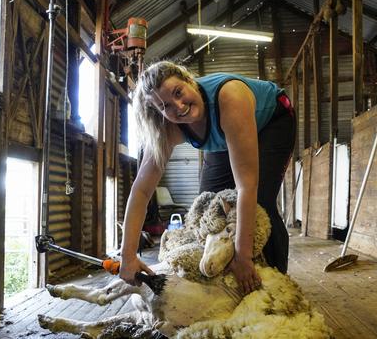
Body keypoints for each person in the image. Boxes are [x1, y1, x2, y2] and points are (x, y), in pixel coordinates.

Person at [119, 61, 296, 295]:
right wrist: (127, 256)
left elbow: (246, 187)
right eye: (165, 106)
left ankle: (273, 283)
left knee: (260, 202)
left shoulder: (230, 97)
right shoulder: (166, 127)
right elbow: (141, 191)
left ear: (190, 81)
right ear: (158, 112)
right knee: (208, 210)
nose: (178, 107)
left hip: (272, 121)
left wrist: (243, 257)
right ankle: (220, 282)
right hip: (225, 132)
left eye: (178, 92)